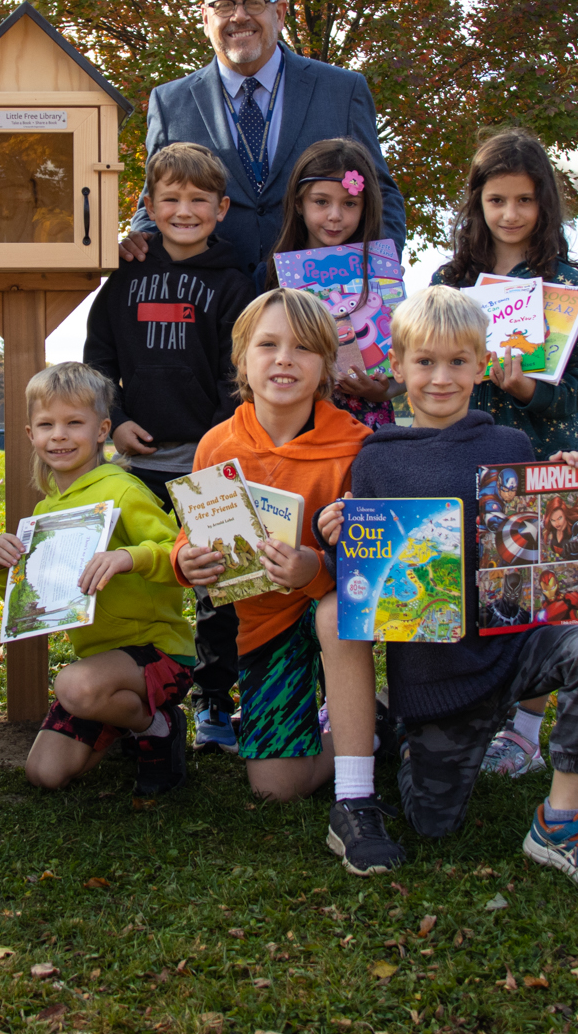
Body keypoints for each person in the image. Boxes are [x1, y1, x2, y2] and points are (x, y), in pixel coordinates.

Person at [321, 286, 578, 892]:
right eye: (426, 362)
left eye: (458, 362)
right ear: (398, 366)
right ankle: (405, 739)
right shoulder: (376, 462)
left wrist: (570, 483)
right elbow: (368, 580)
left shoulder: (510, 446)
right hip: (439, 679)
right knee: (435, 825)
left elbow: (544, 544)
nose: (441, 378)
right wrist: (334, 530)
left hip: (514, 647)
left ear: (483, 365)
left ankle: (560, 819)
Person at [174, 288, 385, 871]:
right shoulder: (219, 444)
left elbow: (377, 568)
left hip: (332, 619)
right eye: (267, 345)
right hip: (262, 628)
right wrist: (183, 559)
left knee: (331, 612)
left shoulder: (358, 449)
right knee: (273, 786)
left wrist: (313, 566)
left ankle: (356, 776)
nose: (284, 359)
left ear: (327, 365)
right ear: (242, 359)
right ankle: (371, 728)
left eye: (302, 348)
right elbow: (191, 532)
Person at [436, 128, 578, 780]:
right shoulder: (450, 281)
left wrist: (528, 387)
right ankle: (472, 713)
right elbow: (426, 360)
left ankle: (527, 731)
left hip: (547, 458)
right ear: (477, 202)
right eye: (497, 199)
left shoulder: (565, 283)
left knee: (536, 596)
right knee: (472, 590)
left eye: (525, 201)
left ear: (545, 206)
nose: (509, 214)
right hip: (466, 456)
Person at [82, 141, 251, 754]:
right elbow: (97, 357)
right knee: (143, 576)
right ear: (148, 205)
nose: (184, 210)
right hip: (137, 461)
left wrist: (215, 439)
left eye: (198, 200)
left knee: (220, 587)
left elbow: (241, 373)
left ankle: (214, 703)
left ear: (222, 208)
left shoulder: (235, 283)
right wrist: (118, 418)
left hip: (211, 461)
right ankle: (145, 696)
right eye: (170, 199)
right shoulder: (124, 275)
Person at [124, 0, 403, 281]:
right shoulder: (170, 102)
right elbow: (153, 206)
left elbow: (381, 196)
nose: (239, 16)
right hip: (209, 308)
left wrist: (369, 277)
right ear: (205, 17)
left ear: (280, 12)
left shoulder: (342, 90)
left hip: (316, 305)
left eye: (254, 2)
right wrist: (137, 247)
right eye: (224, 5)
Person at [0, 364, 192, 798]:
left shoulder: (123, 491)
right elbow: (31, 601)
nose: (59, 435)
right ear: (30, 434)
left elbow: (181, 555)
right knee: (45, 773)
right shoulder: (44, 513)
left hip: (156, 651)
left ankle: (158, 724)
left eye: (73, 423)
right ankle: (120, 718)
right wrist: (4, 568)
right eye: (47, 425)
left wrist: (127, 557)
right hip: (97, 666)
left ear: (102, 430)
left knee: (73, 686)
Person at [256, 137, 406, 427]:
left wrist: (384, 389)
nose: (335, 216)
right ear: (299, 204)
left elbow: (406, 365)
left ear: (366, 206)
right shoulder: (271, 277)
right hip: (297, 426)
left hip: (366, 428)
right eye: (321, 201)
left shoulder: (383, 273)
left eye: (349, 203)